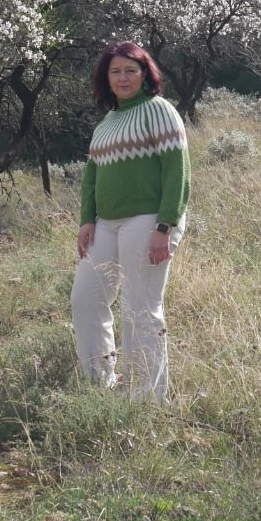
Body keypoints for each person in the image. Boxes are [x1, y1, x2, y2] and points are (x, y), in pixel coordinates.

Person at [71, 41, 189, 402]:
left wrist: (165, 227)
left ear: (145, 74)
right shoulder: (106, 123)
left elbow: (178, 172)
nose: (123, 78)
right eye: (115, 71)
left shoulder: (160, 111)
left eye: (130, 70)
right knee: (85, 300)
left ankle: (147, 399)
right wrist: (87, 220)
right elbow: (92, 177)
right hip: (105, 224)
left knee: (140, 308)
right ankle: (100, 384)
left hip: (150, 220)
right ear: (105, 78)